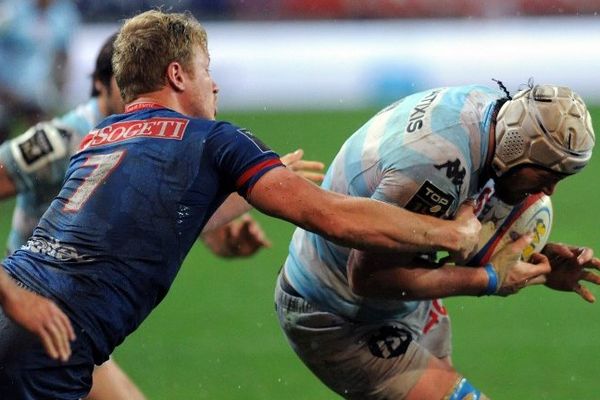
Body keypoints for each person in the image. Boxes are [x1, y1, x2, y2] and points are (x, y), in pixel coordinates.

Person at [0, 10, 484, 399]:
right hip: (50, 340)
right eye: (206, 70)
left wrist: (241, 202)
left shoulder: (99, 137)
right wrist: (449, 233)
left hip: (21, 310)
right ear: (177, 74)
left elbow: (157, 222)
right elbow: (332, 216)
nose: (215, 85)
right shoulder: (215, 139)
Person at [0, 32, 326, 400]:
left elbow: (156, 216)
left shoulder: (154, 139)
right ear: (101, 86)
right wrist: (10, 294)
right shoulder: (64, 140)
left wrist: (246, 199)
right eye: (126, 86)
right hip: (34, 308)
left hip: (70, 313)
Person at [275, 82, 600, 399]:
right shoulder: (435, 167)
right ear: (518, 151)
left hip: (388, 300)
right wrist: (488, 280)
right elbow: (367, 278)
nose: (549, 191)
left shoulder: (492, 116)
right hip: (337, 312)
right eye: (547, 177)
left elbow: (463, 216)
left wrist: (535, 258)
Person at [0, 0, 80, 141]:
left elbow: (62, 53)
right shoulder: (11, 8)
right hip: (6, 90)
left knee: (42, 141)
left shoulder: (64, 12)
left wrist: (59, 87)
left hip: (38, 92)